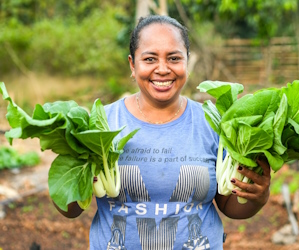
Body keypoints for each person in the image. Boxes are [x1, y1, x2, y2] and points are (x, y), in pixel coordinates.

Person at [54, 15, 271, 249]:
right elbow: (71, 209)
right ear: (132, 64)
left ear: (187, 61)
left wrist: (259, 196)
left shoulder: (214, 122)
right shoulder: (100, 123)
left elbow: (228, 205)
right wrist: (67, 172)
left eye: (174, 58)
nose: (163, 69)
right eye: (149, 59)